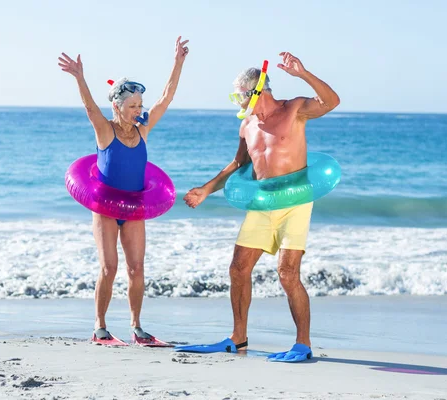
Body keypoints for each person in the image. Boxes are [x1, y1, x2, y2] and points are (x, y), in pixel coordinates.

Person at [180, 52, 340, 362]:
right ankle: (238, 339)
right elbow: (239, 164)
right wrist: (206, 190)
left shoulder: (294, 109)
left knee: (287, 273)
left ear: (256, 90)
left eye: (238, 94)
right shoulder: (247, 126)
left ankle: (303, 345)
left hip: (295, 201)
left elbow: (331, 101)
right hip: (263, 200)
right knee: (238, 268)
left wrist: (303, 74)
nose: (236, 101)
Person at [58, 36, 189, 345]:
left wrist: (178, 63)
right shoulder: (106, 130)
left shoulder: (143, 130)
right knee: (109, 266)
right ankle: (100, 328)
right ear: (117, 106)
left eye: (139, 105)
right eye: (132, 106)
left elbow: (166, 98)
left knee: (137, 267)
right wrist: (80, 77)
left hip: (133, 209)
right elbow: (90, 108)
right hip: (104, 207)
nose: (138, 110)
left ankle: (137, 327)